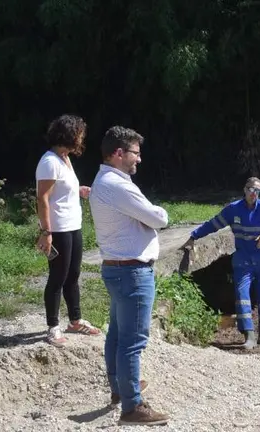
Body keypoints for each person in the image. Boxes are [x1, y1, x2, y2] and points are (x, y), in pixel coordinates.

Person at [89, 126, 170, 426]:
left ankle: (119, 390)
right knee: (132, 342)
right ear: (118, 153)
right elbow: (159, 218)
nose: (139, 159)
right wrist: (155, 214)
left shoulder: (104, 181)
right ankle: (132, 406)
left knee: (118, 335)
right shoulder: (119, 186)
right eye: (135, 153)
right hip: (132, 272)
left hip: (117, 269)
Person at [183, 177, 260, 349]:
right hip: (243, 259)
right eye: (251, 189)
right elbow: (213, 224)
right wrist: (194, 236)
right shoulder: (234, 209)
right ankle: (249, 335)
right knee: (241, 294)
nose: (254, 193)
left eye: (257, 191)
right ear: (244, 189)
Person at [35, 114, 101, 347]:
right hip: (59, 229)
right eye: (79, 134)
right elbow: (42, 198)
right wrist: (46, 232)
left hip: (74, 226)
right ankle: (53, 327)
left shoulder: (65, 159)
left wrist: (78, 189)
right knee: (57, 278)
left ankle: (75, 320)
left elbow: (62, 189)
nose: (82, 138)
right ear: (70, 135)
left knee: (73, 276)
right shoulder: (50, 161)